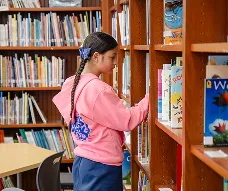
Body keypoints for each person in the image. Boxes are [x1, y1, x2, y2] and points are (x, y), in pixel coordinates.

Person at [52, 32, 149, 191]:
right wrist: (150, 99)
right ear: (96, 56)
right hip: (102, 165)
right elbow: (128, 120)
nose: (116, 62)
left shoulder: (71, 83)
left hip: (83, 161)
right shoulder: (98, 90)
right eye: (112, 57)